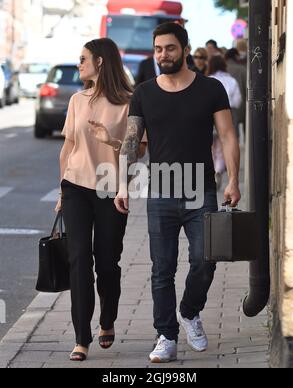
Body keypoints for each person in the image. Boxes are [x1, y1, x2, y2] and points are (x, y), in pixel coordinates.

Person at [90, 23, 241, 363]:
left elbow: (228, 135)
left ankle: (189, 311)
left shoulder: (210, 89)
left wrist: (233, 180)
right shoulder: (144, 92)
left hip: (200, 188)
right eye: (158, 49)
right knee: (162, 268)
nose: (163, 55)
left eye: (170, 48)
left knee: (207, 258)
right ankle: (166, 336)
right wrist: (123, 184)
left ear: (185, 50)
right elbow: (132, 141)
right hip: (160, 190)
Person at [55, 38, 134, 362]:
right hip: (75, 186)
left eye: (83, 58)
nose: (79, 64)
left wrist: (110, 140)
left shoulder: (128, 102)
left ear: (100, 61)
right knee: (78, 262)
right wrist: (61, 191)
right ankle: (81, 337)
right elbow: (67, 148)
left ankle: (107, 319)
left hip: (109, 189)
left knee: (107, 263)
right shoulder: (76, 99)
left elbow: (136, 152)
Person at [208, 55, 242, 190]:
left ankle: (213, 169)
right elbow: (238, 101)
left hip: (209, 116)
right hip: (227, 115)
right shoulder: (231, 81)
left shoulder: (208, 81)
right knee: (224, 145)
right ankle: (218, 169)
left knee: (211, 147)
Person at [225, 48, 247, 136]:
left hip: (224, 107)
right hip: (241, 106)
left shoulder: (222, 69)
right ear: (236, 56)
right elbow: (247, 87)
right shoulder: (242, 69)